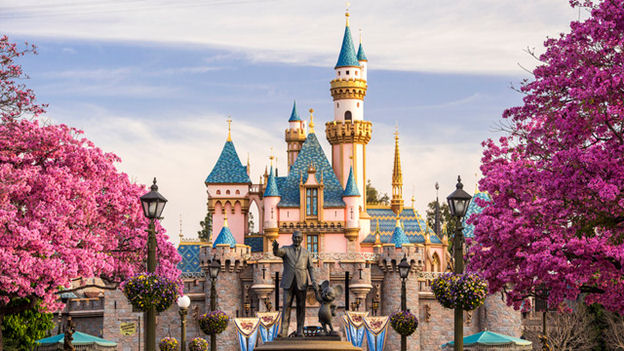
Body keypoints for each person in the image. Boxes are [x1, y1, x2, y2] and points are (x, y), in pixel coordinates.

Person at [272, 231, 318, 337]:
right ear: (292, 238)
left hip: (301, 282)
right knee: (286, 306)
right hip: (288, 282)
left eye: (299, 238)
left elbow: (310, 268)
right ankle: (283, 331)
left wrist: (313, 280)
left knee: (301, 307)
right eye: (295, 237)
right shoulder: (286, 249)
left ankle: (300, 330)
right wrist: (275, 248)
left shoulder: (306, 253)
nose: (297, 239)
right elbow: (278, 252)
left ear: (302, 239)